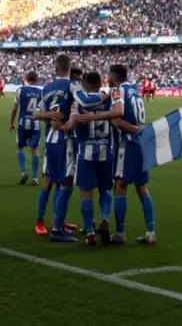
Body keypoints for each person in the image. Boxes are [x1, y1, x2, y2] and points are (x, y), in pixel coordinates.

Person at [76, 64, 155, 245]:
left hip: (127, 144)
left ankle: (120, 233)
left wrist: (92, 117)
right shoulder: (134, 91)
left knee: (120, 186)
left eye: (109, 75)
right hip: (143, 142)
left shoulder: (119, 90)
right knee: (142, 188)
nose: (108, 78)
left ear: (114, 76)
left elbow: (118, 116)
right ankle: (151, 230)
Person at [60, 71, 113, 246]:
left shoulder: (79, 102)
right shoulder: (107, 100)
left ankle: (90, 232)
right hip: (106, 151)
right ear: (100, 83)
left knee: (86, 193)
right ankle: (104, 220)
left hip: (86, 153)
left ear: (84, 84)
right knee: (105, 190)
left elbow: (71, 124)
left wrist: (61, 126)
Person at [32, 54, 81, 242]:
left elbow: (36, 115)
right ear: (70, 69)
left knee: (50, 180)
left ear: (55, 68)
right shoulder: (73, 86)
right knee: (67, 181)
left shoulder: (47, 87)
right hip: (66, 139)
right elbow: (84, 103)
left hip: (50, 140)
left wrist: (49, 114)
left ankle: (44, 222)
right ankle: (58, 229)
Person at [9, 71, 42, 186]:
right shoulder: (41, 92)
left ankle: (24, 172)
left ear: (25, 79)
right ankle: (34, 178)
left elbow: (14, 109)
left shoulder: (20, 90)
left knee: (20, 147)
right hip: (36, 124)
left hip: (23, 123)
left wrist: (11, 123)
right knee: (35, 149)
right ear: (37, 80)